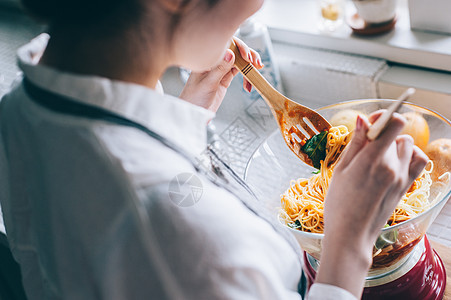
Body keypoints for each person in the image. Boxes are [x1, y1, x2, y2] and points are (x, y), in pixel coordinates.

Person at [0, 0, 428, 299]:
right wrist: (348, 244)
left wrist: (188, 113)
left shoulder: (19, 106)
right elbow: (161, 221)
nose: (259, 5)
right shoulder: (191, 238)